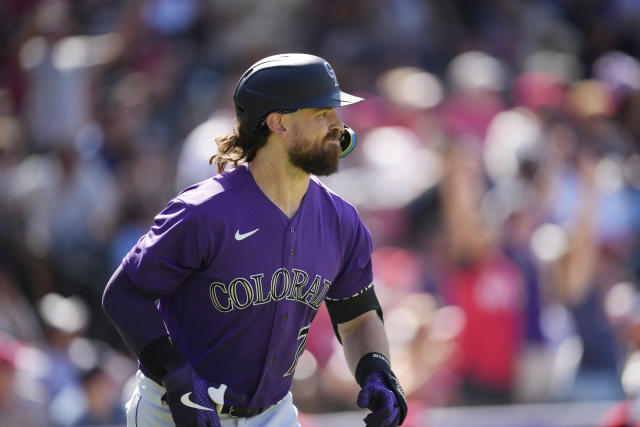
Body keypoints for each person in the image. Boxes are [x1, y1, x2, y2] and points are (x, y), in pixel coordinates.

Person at [102, 53, 407, 427]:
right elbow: (124, 295)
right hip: (175, 411)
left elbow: (358, 317)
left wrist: (377, 370)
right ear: (278, 124)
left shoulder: (342, 221)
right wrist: (176, 377)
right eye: (322, 113)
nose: (337, 125)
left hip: (273, 413)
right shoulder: (203, 212)